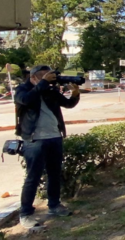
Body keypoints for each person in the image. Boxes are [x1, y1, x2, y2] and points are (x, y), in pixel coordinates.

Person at [14, 65, 80, 229]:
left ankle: (54, 205)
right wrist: (42, 83)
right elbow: (26, 100)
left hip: (54, 137)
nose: (48, 79)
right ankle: (26, 214)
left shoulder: (50, 90)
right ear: (33, 77)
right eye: (44, 76)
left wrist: (75, 94)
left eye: (49, 76)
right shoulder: (23, 89)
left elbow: (67, 104)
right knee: (33, 177)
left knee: (54, 174)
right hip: (35, 139)